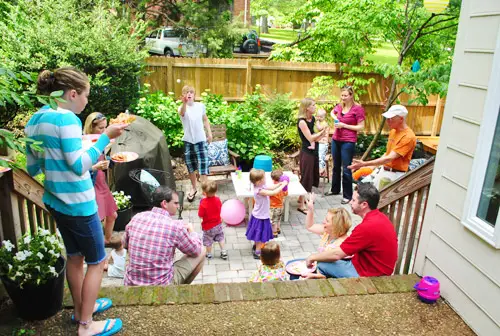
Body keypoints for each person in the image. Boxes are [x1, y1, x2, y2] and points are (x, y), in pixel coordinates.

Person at [25, 67, 126, 336]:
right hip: (79, 204)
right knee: (95, 260)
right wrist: (105, 138)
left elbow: (33, 167)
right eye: (86, 95)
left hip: (55, 201)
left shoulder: (35, 119)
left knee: (74, 256)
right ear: (72, 93)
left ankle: (82, 309)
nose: (86, 101)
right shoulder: (67, 120)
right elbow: (80, 165)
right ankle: (86, 326)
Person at [305, 183, 398, 278]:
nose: (350, 202)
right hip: (371, 268)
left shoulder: (366, 227)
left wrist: (312, 257)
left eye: (353, 200)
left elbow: (337, 254)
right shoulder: (381, 218)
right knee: (326, 259)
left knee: (322, 263)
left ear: (364, 205)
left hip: (371, 276)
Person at [123, 186, 205, 286]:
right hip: (160, 287)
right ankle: (178, 290)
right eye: (175, 203)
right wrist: (192, 232)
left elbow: (125, 244)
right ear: (164, 204)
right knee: (202, 251)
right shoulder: (175, 227)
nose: (178, 206)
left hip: (131, 284)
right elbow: (195, 250)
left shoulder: (136, 218)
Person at [348, 105, 417, 190]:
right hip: (383, 170)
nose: (388, 121)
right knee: (362, 191)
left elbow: (389, 158)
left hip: (394, 175)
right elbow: (387, 153)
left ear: (401, 119)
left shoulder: (408, 137)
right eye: (387, 118)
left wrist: (364, 163)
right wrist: (372, 166)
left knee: (379, 198)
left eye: (391, 118)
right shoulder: (393, 131)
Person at [325, 86, 365, 204]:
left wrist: (344, 125)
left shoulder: (357, 109)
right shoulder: (339, 106)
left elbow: (361, 126)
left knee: (346, 168)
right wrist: (334, 118)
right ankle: (335, 189)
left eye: (345, 96)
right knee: (335, 166)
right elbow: (332, 112)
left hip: (348, 141)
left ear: (351, 95)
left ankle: (348, 195)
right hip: (336, 139)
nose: (343, 98)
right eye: (342, 95)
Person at [83, 112, 118, 245]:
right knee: (96, 220)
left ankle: (106, 240)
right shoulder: (84, 143)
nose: (104, 131)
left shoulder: (101, 141)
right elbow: (78, 169)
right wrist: (95, 167)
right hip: (91, 185)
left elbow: (102, 159)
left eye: (105, 127)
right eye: (100, 128)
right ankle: (97, 249)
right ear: (91, 127)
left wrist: (109, 161)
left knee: (112, 215)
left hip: (102, 182)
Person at [302, 198, 352, 279]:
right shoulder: (327, 232)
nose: (323, 222)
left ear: (336, 226)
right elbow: (310, 226)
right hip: (319, 271)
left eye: (327, 221)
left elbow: (335, 271)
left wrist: (315, 275)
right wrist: (310, 210)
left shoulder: (342, 244)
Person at [178, 85, 213, 202]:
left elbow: (205, 119)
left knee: (203, 167)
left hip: (201, 140)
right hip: (188, 141)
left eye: (191, 92)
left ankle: (205, 191)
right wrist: (183, 103)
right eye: (186, 92)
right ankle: (193, 188)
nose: (189, 94)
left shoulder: (200, 106)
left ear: (194, 94)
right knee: (191, 167)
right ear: (184, 95)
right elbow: (182, 113)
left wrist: (209, 133)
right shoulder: (181, 108)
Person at [246, 168, 288, 259]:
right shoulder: (259, 191)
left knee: (258, 234)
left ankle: (256, 246)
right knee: (260, 235)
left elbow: (272, 187)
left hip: (259, 214)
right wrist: (283, 185)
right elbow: (273, 193)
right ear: (259, 181)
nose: (265, 179)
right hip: (260, 217)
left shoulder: (261, 186)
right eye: (264, 178)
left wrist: (279, 183)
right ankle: (258, 252)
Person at [297, 98, 327, 214]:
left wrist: (319, 135)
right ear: (307, 108)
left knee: (311, 176)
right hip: (307, 153)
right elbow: (310, 138)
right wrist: (322, 133)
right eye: (313, 105)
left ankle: (301, 198)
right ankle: (301, 205)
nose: (315, 107)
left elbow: (314, 134)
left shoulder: (313, 118)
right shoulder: (302, 121)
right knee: (306, 177)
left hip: (314, 150)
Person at [198, 180, 227, 260]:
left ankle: (209, 254)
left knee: (208, 240)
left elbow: (200, 215)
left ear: (204, 193)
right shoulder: (217, 199)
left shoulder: (203, 203)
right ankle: (223, 251)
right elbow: (220, 208)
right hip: (218, 224)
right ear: (216, 191)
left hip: (208, 227)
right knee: (220, 237)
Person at [269, 170, 288, 238]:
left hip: (273, 207)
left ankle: (274, 233)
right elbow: (286, 194)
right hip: (280, 206)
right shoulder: (282, 188)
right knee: (278, 219)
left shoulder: (273, 189)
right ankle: (278, 229)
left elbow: (269, 195)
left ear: (272, 179)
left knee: (273, 221)